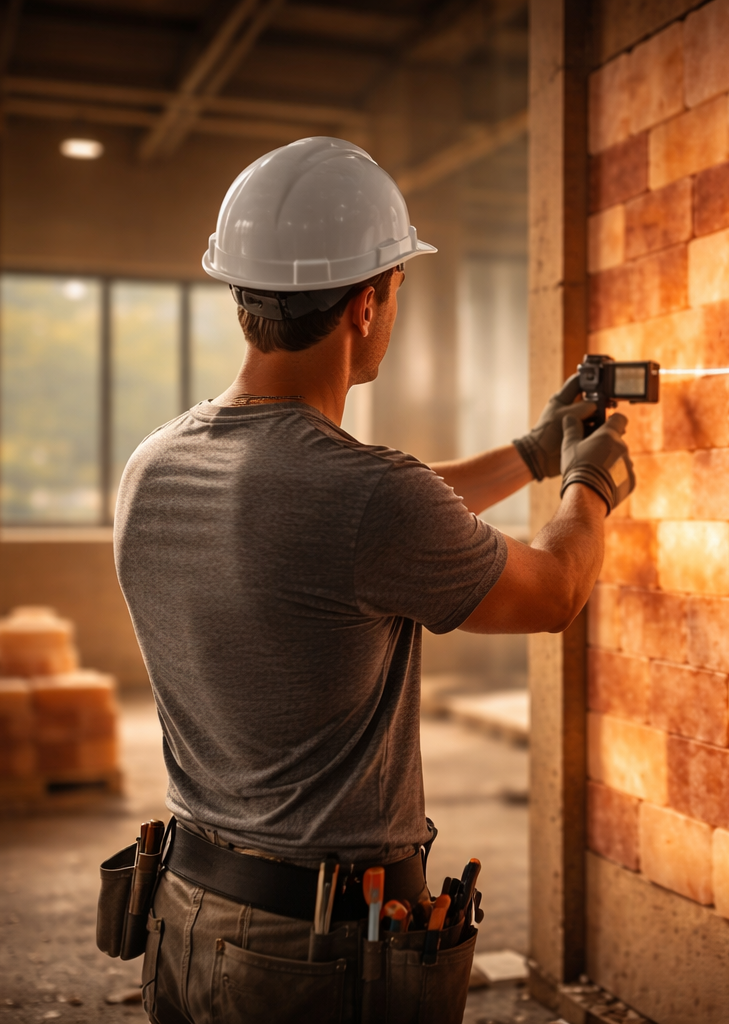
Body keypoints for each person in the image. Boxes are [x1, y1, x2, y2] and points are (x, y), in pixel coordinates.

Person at [112, 137, 633, 1024]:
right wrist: (591, 482)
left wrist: (534, 454)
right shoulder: (361, 498)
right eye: (398, 287)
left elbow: (363, 521)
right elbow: (552, 594)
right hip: (312, 958)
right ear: (366, 304)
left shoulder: (154, 465)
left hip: (187, 915)